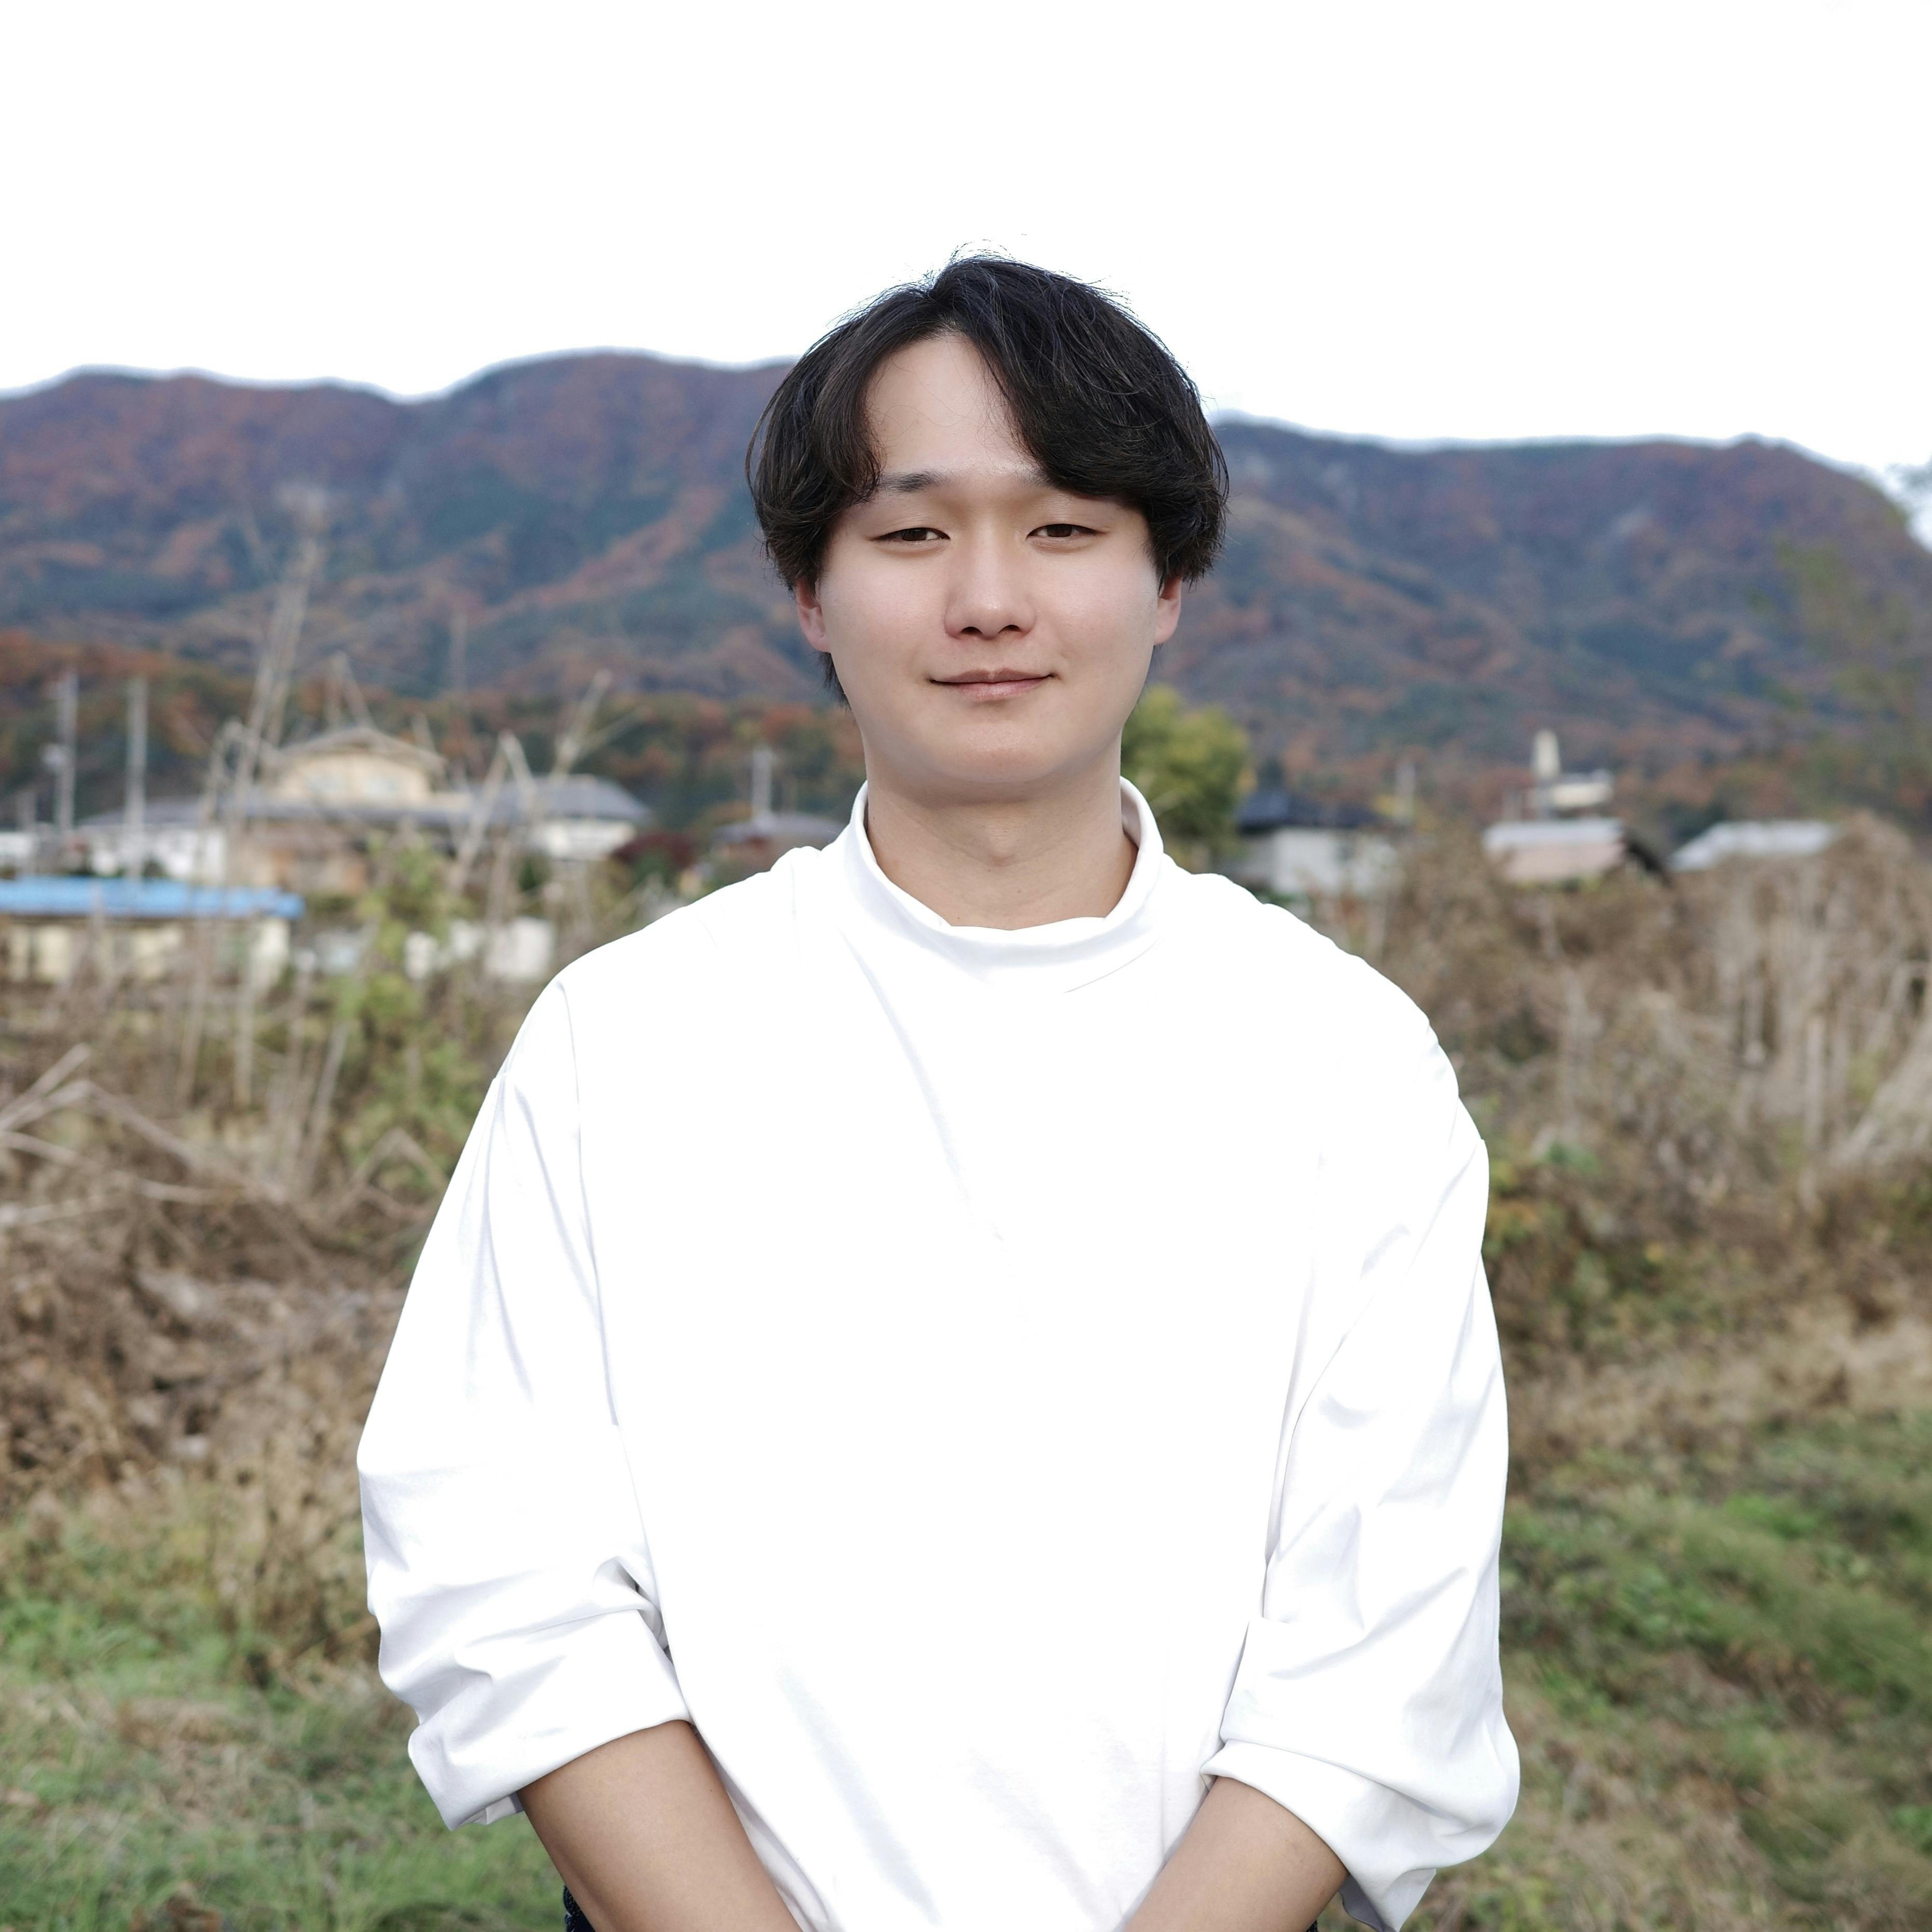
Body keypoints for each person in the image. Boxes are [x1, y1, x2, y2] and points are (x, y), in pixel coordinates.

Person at [357, 256, 1519, 1932]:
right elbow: (499, 1572)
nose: (987, 598)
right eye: (909, 532)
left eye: (1060, 527)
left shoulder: (1341, 1056)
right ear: (809, 591)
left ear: (1167, 578)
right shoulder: (625, 1039)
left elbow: (1378, 1656)